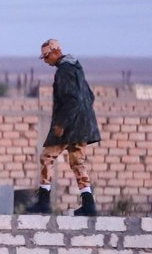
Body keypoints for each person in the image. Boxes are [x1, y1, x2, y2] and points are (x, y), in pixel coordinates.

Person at [25, 38, 101, 216]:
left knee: (46, 157)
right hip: (83, 124)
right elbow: (89, 96)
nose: (45, 60)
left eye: (46, 56)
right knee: (77, 162)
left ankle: (43, 201)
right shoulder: (76, 68)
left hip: (69, 125)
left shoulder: (64, 71)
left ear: (55, 52)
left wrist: (61, 125)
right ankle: (88, 204)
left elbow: (71, 100)